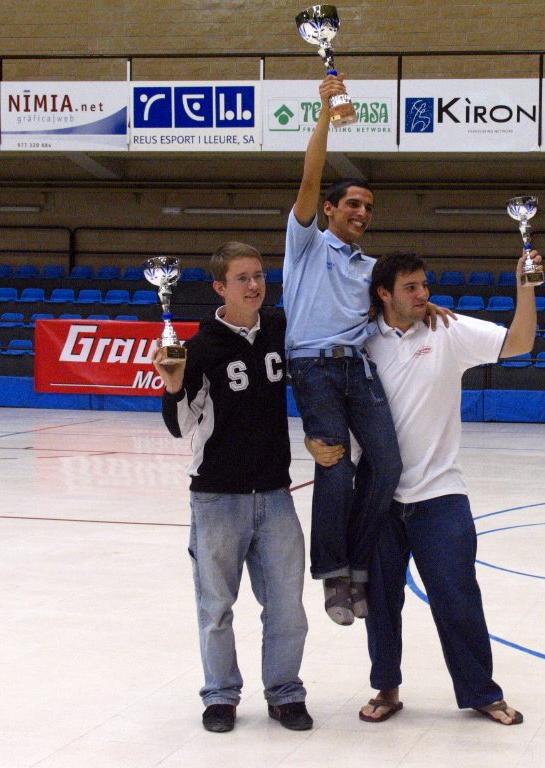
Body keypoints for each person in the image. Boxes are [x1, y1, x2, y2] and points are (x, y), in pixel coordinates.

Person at [310, 249, 541, 726]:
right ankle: (386, 688)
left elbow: (520, 342)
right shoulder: (360, 343)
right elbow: (324, 388)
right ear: (384, 293)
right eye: (411, 288)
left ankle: (481, 692)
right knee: (381, 602)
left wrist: (525, 286)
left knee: (458, 597)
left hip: (441, 495)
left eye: (424, 286)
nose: (423, 295)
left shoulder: (447, 330)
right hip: (378, 496)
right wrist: (318, 437)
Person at [152, 242, 339, 734]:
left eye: (259, 276)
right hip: (217, 498)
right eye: (243, 278)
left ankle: (285, 692)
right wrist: (173, 385)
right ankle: (219, 695)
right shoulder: (200, 348)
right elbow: (181, 426)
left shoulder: (279, 328)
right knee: (216, 607)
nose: (255, 285)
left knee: (287, 607)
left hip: (276, 495)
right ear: (220, 287)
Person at [282, 72, 404, 627]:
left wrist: (427, 306)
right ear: (329, 210)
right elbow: (311, 177)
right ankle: (334, 572)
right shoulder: (306, 244)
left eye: (369, 207)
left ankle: (358, 561)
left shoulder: (371, 268)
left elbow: (396, 305)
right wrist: (326, 114)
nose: (362, 212)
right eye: (353, 203)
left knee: (388, 463)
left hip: (360, 371)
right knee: (334, 466)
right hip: (313, 367)